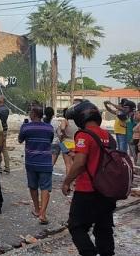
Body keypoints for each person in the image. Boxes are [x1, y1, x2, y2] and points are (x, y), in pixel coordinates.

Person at [62, 101, 116, 256]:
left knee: (76, 226)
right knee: (103, 228)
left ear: (81, 118)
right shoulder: (108, 136)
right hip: (107, 191)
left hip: (87, 189)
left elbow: (80, 163)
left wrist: (67, 182)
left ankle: (89, 253)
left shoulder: (84, 134)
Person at [19, 105, 54, 225]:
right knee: (45, 188)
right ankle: (43, 214)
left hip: (31, 162)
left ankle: (37, 209)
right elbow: (49, 140)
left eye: (30, 112)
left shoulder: (26, 127)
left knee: (33, 186)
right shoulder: (49, 128)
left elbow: (20, 140)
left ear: (33, 114)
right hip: (45, 162)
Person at [60, 107, 79, 175]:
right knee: (74, 164)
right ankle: (75, 181)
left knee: (67, 164)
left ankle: (68, 182)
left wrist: (64, 134)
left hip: (65, 143)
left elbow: (62, 128)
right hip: (74, 143)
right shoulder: (77, 122)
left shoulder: (65, 121)